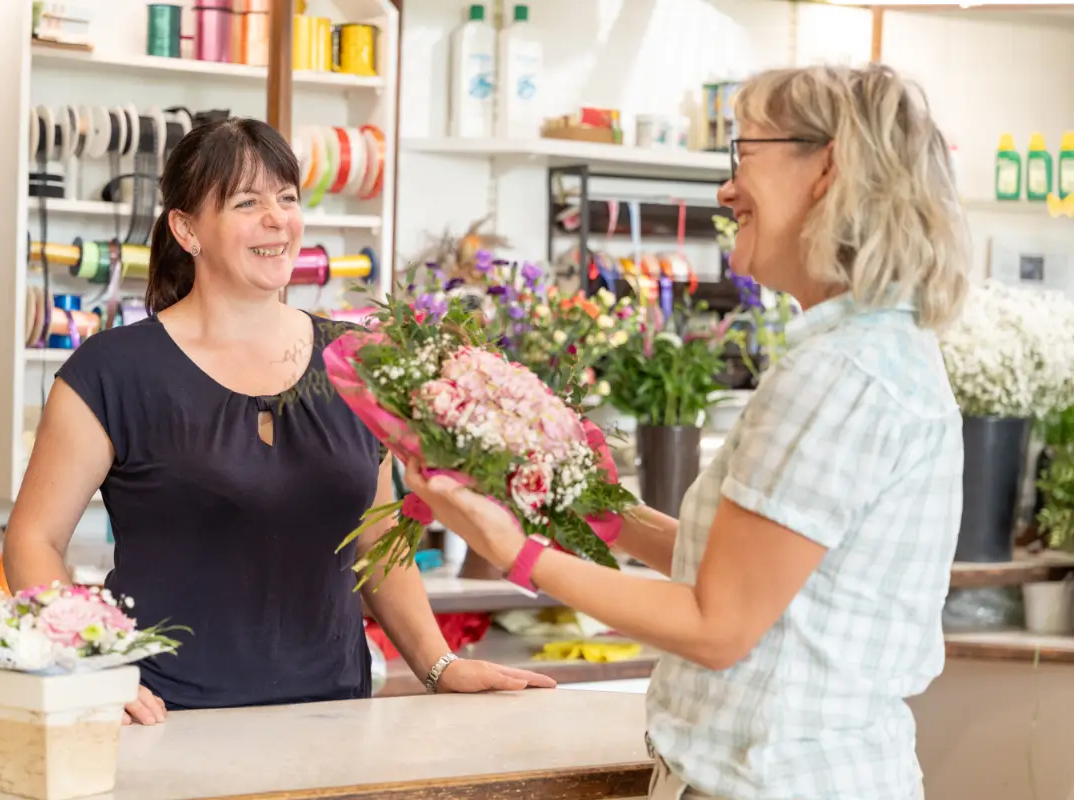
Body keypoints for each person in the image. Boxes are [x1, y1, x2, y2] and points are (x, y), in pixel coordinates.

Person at [404, 63, 968, 800]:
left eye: (745, 154)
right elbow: (743, 572)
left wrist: (515, 552)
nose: (726, 190)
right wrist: (590, 506)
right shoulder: (867, 350)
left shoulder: (842, 371)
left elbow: (716, 624)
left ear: (828, 166)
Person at [3, 117, 554, 725]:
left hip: (335, 717)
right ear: (187, 229)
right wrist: (89, 667)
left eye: (287, 198)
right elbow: (33, 540)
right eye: (247, 202)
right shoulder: (112, 371)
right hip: (163, 720)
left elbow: (374, 543)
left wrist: (438, 664)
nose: (277, 219)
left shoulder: (356, 361)